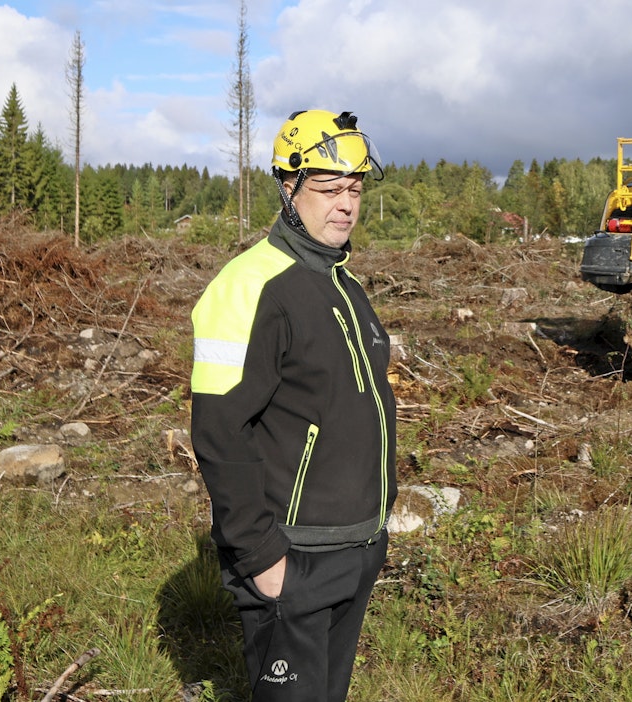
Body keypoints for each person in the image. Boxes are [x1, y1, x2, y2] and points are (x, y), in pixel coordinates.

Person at [190, 109, 397, 702]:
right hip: (292, 556)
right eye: (329, 189)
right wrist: (261, 557)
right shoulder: (249, 287)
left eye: (354, 189)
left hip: (355, 547)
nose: (346, 204)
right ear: (288, 187)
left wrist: (376, 527)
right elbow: (219, 432)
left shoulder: (345, 286)